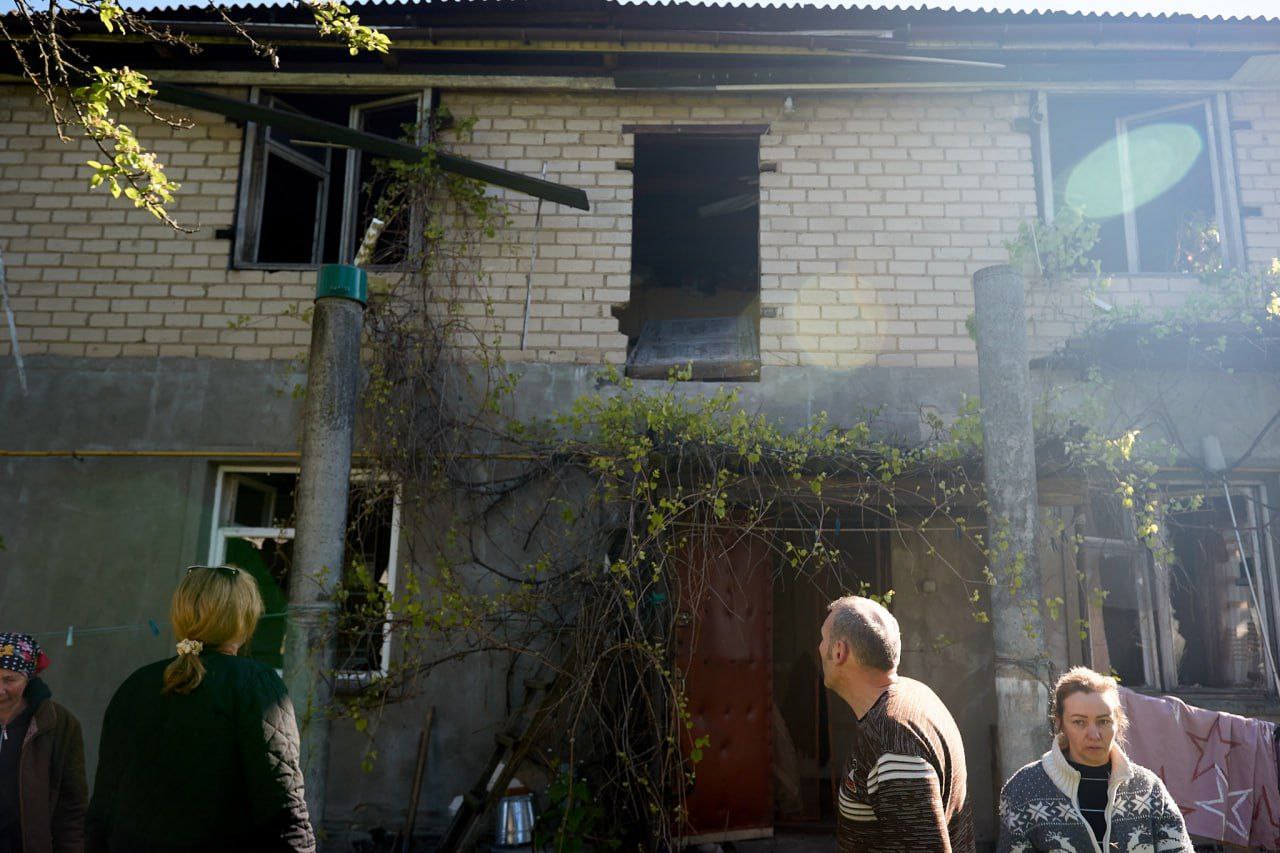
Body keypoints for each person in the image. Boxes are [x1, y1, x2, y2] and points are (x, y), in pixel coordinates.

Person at [86, 566, 314, 853]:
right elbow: (282, 803)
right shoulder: (255, 683)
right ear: (244, 619)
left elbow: (103, 807)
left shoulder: (136, 685)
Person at [820, 595, 974, 852]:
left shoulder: (890, 739)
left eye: (823, 638)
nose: (818, 647)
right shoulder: (917, 693)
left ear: (838, 652)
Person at [997, 666, 1193, 853]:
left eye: (1103, 721)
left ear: (1118, 722)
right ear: (1059, 723)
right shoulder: (1024, 788)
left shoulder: (1148, 789)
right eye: (1079, 722)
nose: (1094, 734)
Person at [0, 633, 86, 853]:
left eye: (10, 680)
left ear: (28, 678)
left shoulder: (57, 723)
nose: (0, 690)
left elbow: (71, 805)